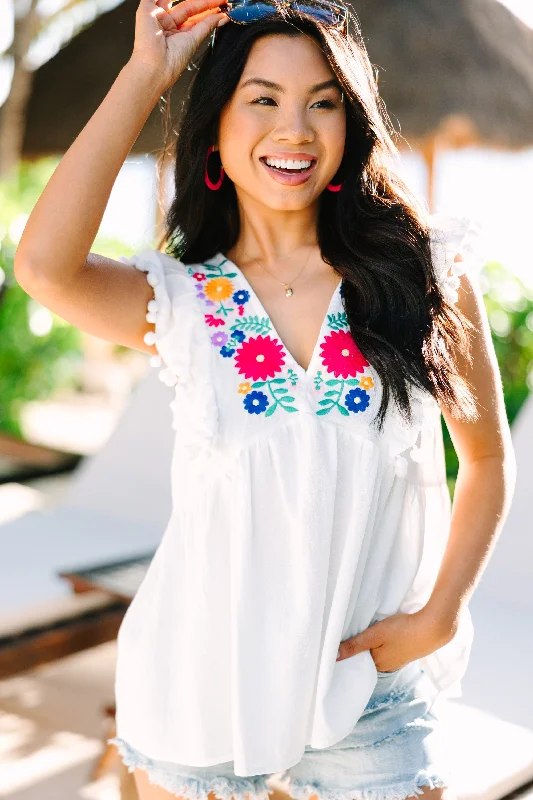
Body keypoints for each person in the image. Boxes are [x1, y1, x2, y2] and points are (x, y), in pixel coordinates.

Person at [14, 0, 516, 798]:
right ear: (215, 128)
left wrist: (441, 614)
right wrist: (146, 72)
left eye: (323, 102)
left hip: (369, 695)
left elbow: (487, 458)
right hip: (198, 687)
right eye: (263, 99)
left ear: (350, 125)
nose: (296, 129)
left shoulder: (423, 274)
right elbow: (42, 268)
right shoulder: (182, 301)